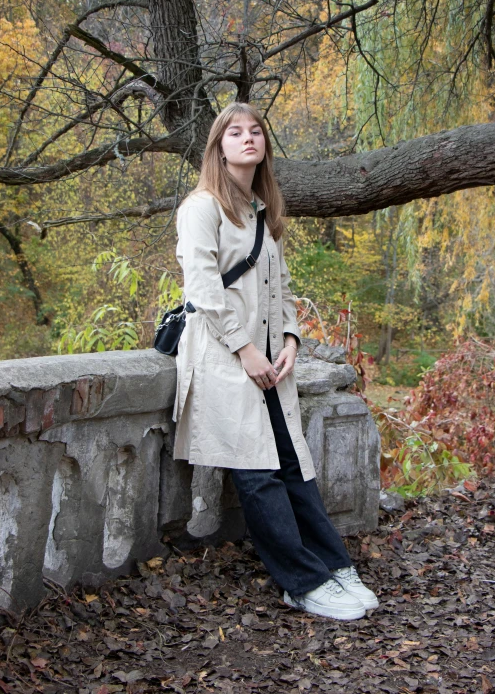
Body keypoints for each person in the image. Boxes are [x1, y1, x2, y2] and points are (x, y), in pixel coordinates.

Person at [172, 101, 379, 621]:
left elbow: (281, 289)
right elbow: (202, 290)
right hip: (222, 357)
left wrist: (289, 340)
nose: (248, 138)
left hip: (268, 358)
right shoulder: (201, 208)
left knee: (292, 460)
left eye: (256, 131)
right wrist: (244, 350)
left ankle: (333, 564)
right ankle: (302, 583)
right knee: (255, 471)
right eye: (235, 132)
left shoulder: (262, 211)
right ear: (219, 145)